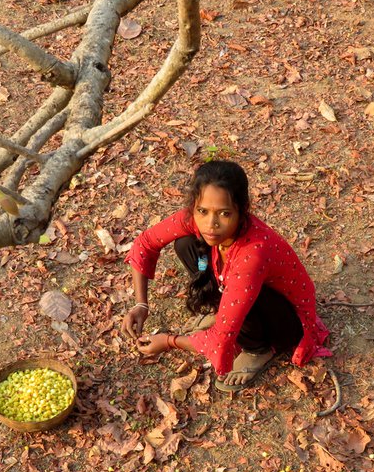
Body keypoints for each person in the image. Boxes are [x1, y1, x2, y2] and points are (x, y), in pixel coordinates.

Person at [121, 160, 331, 392]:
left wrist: (169, 341)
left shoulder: (253, 253)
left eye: (224, 214)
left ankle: (257, 348)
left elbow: (221, 338)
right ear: (194, 206)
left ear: (242, 210)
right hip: (237, 289)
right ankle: (225, 311)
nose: (211, 224)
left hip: (284, 322)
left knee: (240, 292)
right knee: (186, 244)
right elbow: (145, 244)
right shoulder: (196, 221)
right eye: (203, 211)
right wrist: (141, 305)